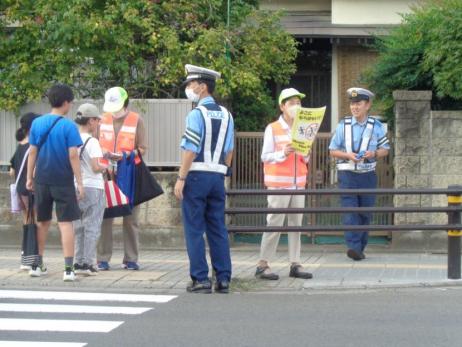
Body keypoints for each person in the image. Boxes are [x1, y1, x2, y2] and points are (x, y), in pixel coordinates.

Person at [174, 64, 234, 294]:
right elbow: (230, 150)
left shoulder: (196, 114)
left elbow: (190, 149)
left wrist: (181, 177)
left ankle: (201, 279)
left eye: (191, 84)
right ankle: (224, 278)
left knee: (194, 228)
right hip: (218, 177)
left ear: (202, 86)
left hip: (196, 175)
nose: (189, 88)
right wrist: (223, 171)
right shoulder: (227, 115)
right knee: (217, 227)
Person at [26, 83, 84, 282]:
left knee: (41, 222)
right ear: (66, 102)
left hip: (41, 179)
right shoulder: (69, 126)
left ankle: (36, 264)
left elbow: (32, 152)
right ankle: (68, 269)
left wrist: (28, 177)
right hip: (63, 180)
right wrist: (80, 182)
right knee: (66, 223)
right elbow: (73, 155)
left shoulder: (37, 124)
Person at [255, 88, 313, 281]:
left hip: (298, 184)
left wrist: (304, 153)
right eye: (292, 103)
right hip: (279, 185)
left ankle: (295, 263)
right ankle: (263, 265)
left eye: (298, 102)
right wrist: (284, 153)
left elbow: (306, 158)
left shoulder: (304, 128)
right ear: (282, 106)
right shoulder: (273, 128)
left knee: (296, 225)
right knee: (274, 223)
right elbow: (265, 156)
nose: (296, 106)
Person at [329, 87, 390, 260]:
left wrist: (374, 154)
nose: (354, 107)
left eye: (358, 103)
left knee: (365, 213)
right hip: (347, 176)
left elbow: (385, 149)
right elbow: (332, 150)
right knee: (350, 212)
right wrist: (347, 155)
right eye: (352, 104)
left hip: (368, 176)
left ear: (367, 105)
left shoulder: (376, 126)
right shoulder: (343, 125)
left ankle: (360, 248)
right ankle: (353, 247)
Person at [97, 87, 147, 271]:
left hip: (129, 173)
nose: (113, 110)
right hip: (106, 173)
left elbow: (142, 148)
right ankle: (102, 258)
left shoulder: (136, 120)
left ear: (125, 103)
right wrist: (104, 155)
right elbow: (94, 144)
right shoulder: (102, 120)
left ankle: (131, 259)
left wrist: (125, 156)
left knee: (131, 217)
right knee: (105, 216)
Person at [73, 104, 107, 276]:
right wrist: (106, 165)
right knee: (92, 225)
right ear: (91, 121)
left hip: (76, 185)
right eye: (97, 119)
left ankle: (78, 263)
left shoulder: (72, 139)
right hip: (93, 186)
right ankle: (88, 263)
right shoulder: (92, 141)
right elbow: (95, 167)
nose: (98, 122)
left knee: (78, 226)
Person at [10, 112, 40, 270]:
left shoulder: (21, 144)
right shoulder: (34, 145)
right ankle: (33, 259)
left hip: (20, 188)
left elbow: (11, 170)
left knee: (27, 221)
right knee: (36, 222)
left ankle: (25, 259)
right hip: (31, 187)